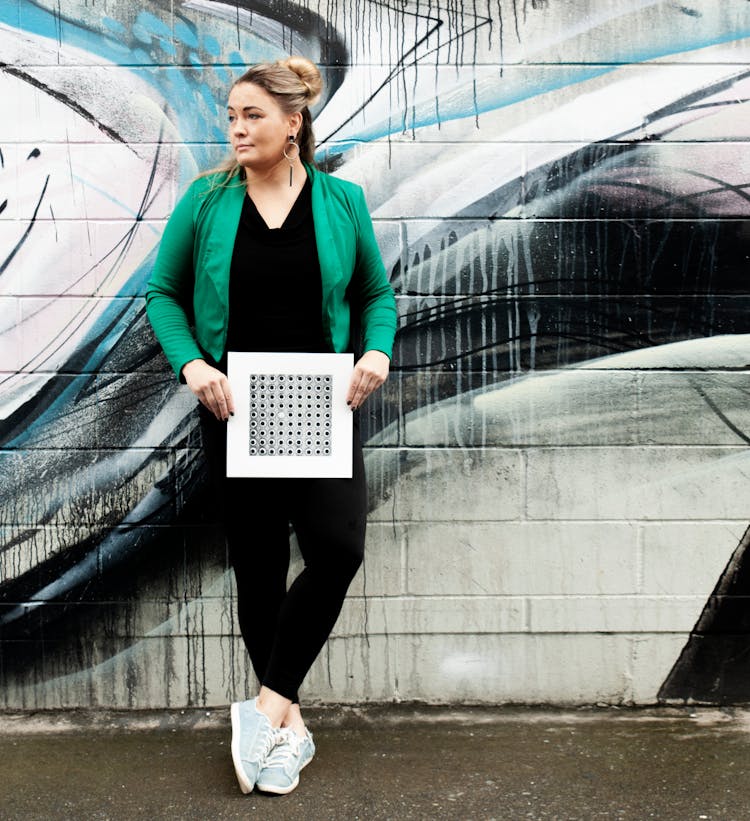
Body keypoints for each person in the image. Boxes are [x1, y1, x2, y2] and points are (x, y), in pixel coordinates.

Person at [145, 56, 397, 795]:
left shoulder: (342, 201)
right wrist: (193, 366)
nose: (236, 128)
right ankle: (288, 731)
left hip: (323, 407)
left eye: (252, 115)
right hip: (237, 411)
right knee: (257, 569)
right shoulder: (205, 199)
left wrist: (376, 348)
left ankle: (261, 708)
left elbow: (375, 292)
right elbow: (164, 293)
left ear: (294, 123)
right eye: (231, 115)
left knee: (338, 548)